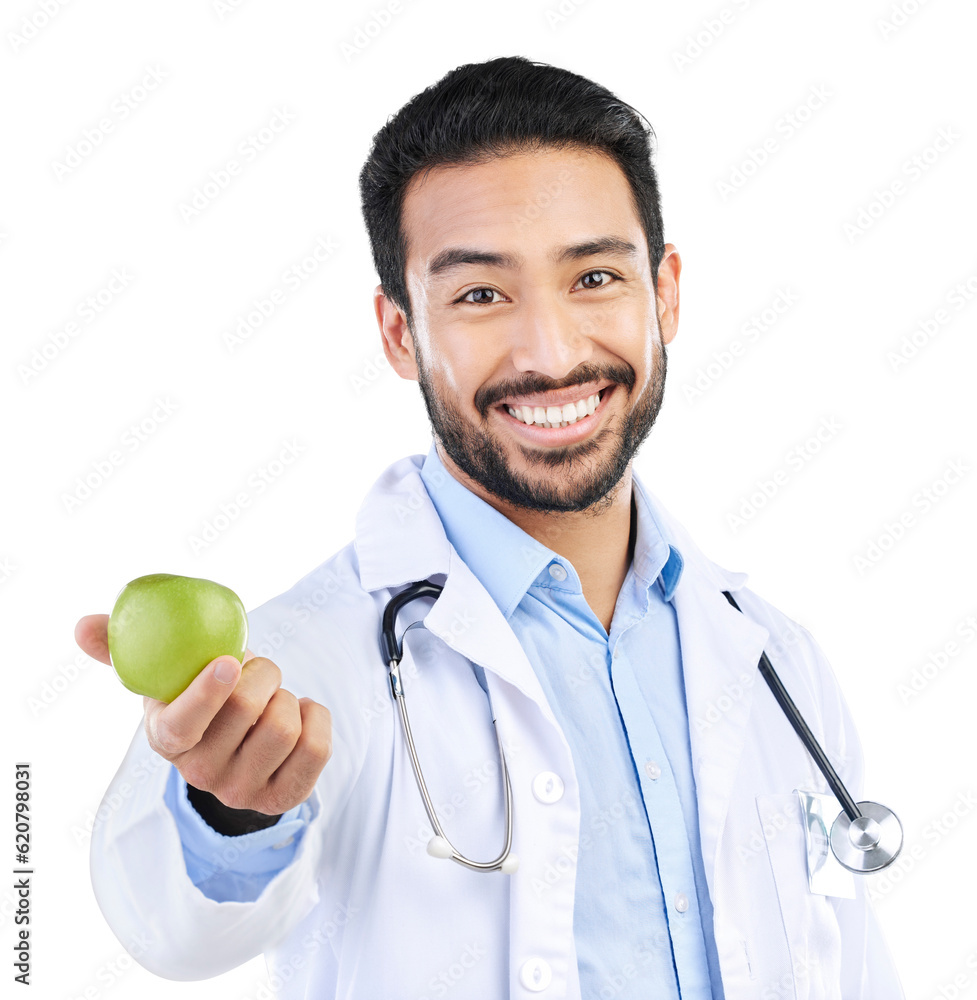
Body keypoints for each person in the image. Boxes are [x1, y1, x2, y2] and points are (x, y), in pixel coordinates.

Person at [77, 55, 905, 998]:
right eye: (479, 294)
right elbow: (171, 931)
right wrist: (229, 816)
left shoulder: (771, 661)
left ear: (664, 293)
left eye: (594, 277)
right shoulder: (301, 669)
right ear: (400, 333)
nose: (551, 354)